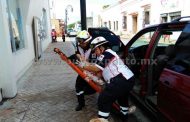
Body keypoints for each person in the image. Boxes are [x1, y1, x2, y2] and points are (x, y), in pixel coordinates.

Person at [77, 36, 136, 122]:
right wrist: (92, 76)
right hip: (127, 79)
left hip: (121, 79)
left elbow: (96, 68)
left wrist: (83, 66)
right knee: (122, 98)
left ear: (101, 47)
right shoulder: (105, 55)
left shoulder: (107, 53)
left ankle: (102, 119)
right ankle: (124, 117)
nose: (95, 52)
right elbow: (99, 73)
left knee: (104, 99)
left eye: (96, 50)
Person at [69, 30, 96, 111]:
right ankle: (81, 104)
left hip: (93, 70)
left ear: (87, 41)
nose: (80, 43)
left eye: (81, 42)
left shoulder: (94, 48)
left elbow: (94, 64)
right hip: (83, 69)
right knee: (78, 85)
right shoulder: (79, 46)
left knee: (93, 87)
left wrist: (84, 61)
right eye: (79, 41)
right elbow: (77, 53)